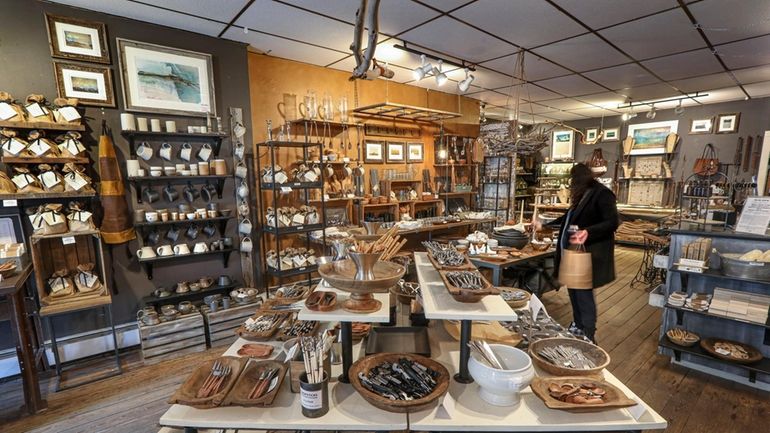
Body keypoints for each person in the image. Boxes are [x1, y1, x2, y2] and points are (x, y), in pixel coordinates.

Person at [537, 163, 619, 343]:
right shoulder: (583, 195)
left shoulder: (601, 194)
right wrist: (545, 225)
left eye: (574, 180)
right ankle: (578, 325)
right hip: (575, 254)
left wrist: (588, 232)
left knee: (583, 294)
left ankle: (588, 333)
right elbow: (568, 219)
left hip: (589, 254)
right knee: (574, 291)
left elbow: (612, 222)